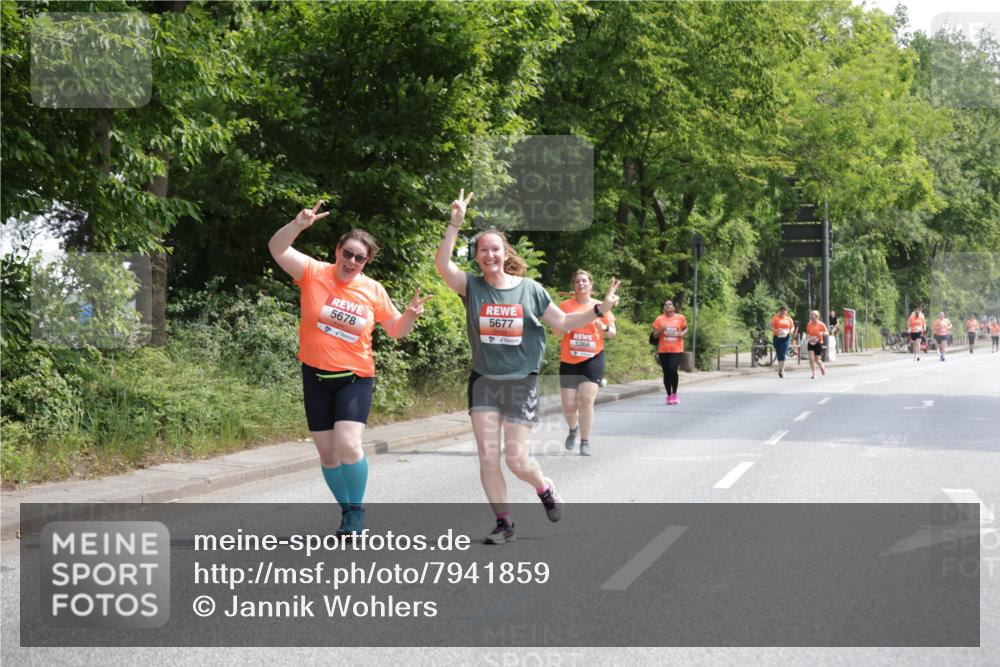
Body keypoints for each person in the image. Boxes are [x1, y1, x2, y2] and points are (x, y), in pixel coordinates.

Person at [435, 189, 619, 545]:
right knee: (488, 458)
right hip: (484, 381)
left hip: (521, 383)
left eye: (495, 249)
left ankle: (544, 487)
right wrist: (453, 225)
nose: (489, 254)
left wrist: (600, 309)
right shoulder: (471, 287)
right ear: (477, 256)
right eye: (483, 250)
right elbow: (443, 266)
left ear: (505, 255)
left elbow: (563, 324)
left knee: (517, 460)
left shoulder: (530, 289)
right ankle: (505, 524)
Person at [269, 202, 431, 538]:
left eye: (360, 258)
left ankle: (357, 511)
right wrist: (298, 224)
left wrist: (411, 315)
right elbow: (277, 248)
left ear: (366, 263)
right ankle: (346, 512)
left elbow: (395, 330)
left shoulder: (373, 290)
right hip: (314, 375)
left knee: (348, 445)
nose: (352, 261)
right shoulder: (313, 272)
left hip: (354, 377)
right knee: (328, 455)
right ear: (338, 251)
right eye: (348, 253)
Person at [554, 269, 616, 457]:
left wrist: (604, 327)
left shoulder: (600, 306)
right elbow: (556, 331)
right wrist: (566, 327)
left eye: (584, 281)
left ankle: (585, 441)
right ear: (574, 285)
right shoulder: (565, 306)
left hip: (593, 357)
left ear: (591, 285)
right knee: (568, 406)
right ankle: (573, 429)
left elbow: (612, 332)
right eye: (578, 281)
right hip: (569, 359)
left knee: (586, 400)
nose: (581, 284)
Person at [652, 299, 689, 404]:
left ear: (673, 307)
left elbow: (686, 328)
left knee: (673, 369)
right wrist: (661, 330)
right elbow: (654, 336)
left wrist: (682, 333)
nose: (667, 306)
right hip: (663, 349)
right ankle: (669, 395)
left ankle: (675, 394)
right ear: (664, 308)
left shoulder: (680, 318)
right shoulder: (659, 319)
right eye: (665, 305)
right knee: (666, 372)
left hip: (677, 349)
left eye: (669, 304)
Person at [770, 305, 796, 379]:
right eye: (781, 310)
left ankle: (782, 370)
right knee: (778, 353)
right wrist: (775, 330)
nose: (783, 312)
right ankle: (780, 368)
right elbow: (771, 326)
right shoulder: (775, 318)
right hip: (777, 337)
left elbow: (793, 327)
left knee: (783, 353)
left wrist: (790, 331)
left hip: (786, 338)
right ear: (779, 311)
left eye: (784, 311)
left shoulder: (789, 319)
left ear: (786, 312)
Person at [805, 310, 828, 378]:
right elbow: (808, 333)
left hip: (818, 342)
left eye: (813, 315)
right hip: (810, 342)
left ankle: (821, 365)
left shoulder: (821, 324)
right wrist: (808, 337)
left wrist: (822, 333)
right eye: (811, 315)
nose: (812, 316)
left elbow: (827, 333)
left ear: (817, 317)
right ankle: (814, 373)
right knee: (811, 358)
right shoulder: (809, 324)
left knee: (817, 360)